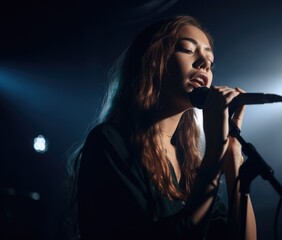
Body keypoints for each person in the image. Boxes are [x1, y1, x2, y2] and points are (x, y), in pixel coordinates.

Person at [67, 15, 257, 240]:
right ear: (153, 61)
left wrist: (232, 152)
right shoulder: (110, 142)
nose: (204, 63)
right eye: (187, 49)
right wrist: (214, 153)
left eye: (210, 60)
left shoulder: (188, 161)